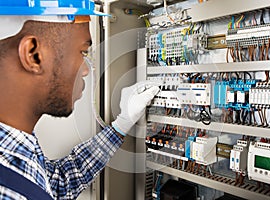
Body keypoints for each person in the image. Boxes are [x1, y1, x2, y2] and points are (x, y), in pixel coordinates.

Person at [0, 13, 159, 200]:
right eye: (82, 52)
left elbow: (60, 184)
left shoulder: (15, 150)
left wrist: (121, 125)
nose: (85, 70)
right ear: (33, 55)